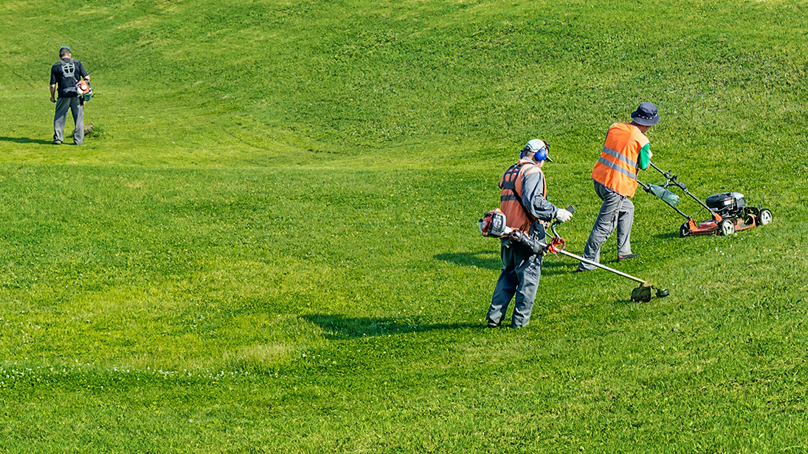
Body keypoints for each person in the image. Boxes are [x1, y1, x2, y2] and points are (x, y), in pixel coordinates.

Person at [487, 139, 573, 329]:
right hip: (526, 235)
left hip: (506, 233)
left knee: (508, 275)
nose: (543, 163)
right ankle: (520, 323)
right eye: (544, 158)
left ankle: (494, 318)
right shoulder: (533, 172)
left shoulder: (510, 171)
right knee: (528, 279)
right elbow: (532, 202)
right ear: (540, 155)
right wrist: (556, 212)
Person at [576, 102, 660, 272]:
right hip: (615, 186)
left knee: (627, 208)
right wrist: (647, 155)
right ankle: (587, 264)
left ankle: (624, 251)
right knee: (604, 226)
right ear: (647, 124)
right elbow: (644, 165)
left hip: (600, 179)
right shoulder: (642, 141)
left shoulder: (615, 127)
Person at [50, 46, 90, 145]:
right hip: (77, 94)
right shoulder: (77, 63)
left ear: (60, 56)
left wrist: (52, 96)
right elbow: (87, 77)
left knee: (60, 116)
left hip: (63, 94)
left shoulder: (55, 66)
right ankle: (78, 140)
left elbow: (52, 85)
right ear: (69, 54)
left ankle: (58, 138)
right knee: (78, 117)